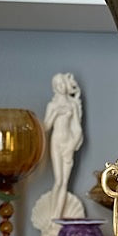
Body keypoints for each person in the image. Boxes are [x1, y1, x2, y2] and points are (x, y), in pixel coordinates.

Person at [44, 73, 83, 220]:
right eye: (57, 84)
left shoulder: (72, 105)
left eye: (62, 83)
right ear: (55, 87)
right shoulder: (52, 106)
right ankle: (52, 217)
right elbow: (46, 127)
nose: (60, 86)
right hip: (56, 142)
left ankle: (57, 219)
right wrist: (55, 113)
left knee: (64, 182)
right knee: (58, 180)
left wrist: (71, 146)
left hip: (68, 144)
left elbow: (77, 129)